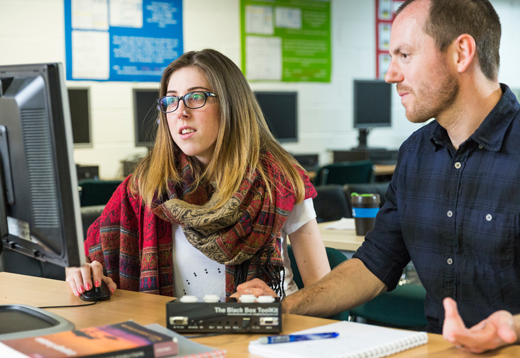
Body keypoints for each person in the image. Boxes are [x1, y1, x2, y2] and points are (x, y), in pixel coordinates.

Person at [237, 0, 520, 353]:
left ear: (461, 53)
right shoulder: (416, 152)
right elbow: (374, 264)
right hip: (439, 349)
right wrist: (285, 308)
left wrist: (510, 327)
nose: (390, 74)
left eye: (404, 55)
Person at [65, 49, 330, 302]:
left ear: (230, 104)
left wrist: (279, 306)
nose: (180, 112)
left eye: (196, 97)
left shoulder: (280, 182)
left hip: (265, 330)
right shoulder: (145, 186)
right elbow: (88, 260)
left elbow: (324, 291)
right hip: (177, 334)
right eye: (171, 100)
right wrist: (81, 271)